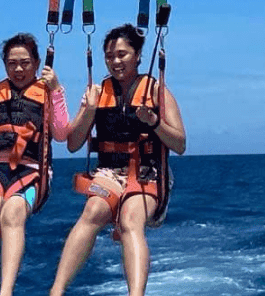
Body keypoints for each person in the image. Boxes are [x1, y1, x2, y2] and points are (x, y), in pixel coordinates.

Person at [49, 24, 186, 296]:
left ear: (137, 56)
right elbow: (74, 144)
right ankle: (56, 291)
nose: (115, 61)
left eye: (122, 55)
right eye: (110, 56)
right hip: (109, 173)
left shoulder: (157, 92)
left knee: (130, 220)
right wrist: (88, 111)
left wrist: (155, 122)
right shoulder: (98, 93)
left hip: (148, 172)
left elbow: (180, 144)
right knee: (93, 212)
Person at [0, 32, 70, 296]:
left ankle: (5, 292)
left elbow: (63, 133)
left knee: (13, 212)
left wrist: (56, 90)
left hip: (31, 171)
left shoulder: (47, 94)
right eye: (12, 63)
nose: (18, 69)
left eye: (25, 63)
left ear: (37, 62)